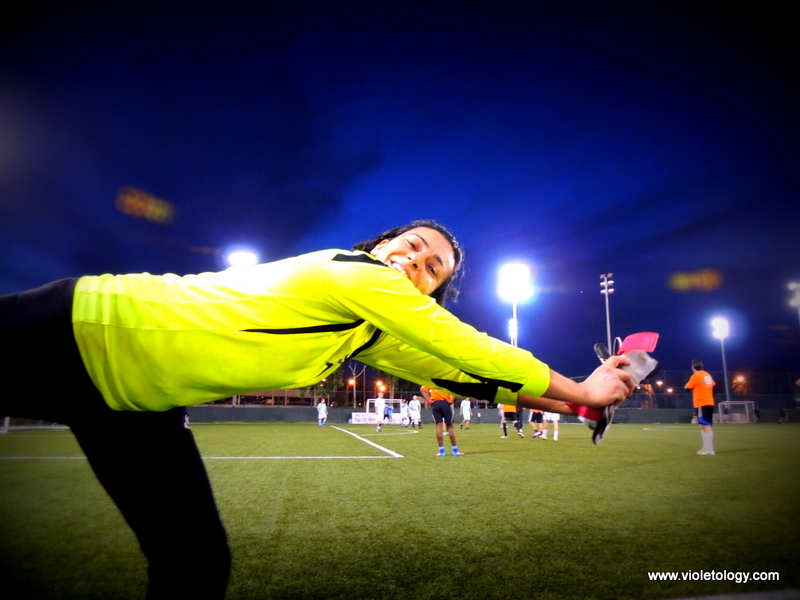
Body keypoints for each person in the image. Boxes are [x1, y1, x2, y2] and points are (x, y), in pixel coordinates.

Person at [0, 219, 634, 598]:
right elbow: (469, 347)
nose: (414, 260)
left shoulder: (368, 332)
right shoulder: (353, 273)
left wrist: (577, 406)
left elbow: (466, 375)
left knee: (195, 564)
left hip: (135, 403)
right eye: (411, 245)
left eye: (431, 267)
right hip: (80, 328)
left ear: (433, 291)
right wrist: (583, 388)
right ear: (384, 243)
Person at [420, 385, 463, 456]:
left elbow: (422, 390)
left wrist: (429, 400)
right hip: (445, 403)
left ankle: (441, 451)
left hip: (435, 404)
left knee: (438, 426)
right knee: (450, 426)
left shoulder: (431, 381)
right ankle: (455, 451)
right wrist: (451, 400)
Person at [685, 359, 716, 455]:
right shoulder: (707, 374)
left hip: (701, 403)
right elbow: (714, 387)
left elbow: (687, 388)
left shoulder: (696, 375)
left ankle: (709, 449)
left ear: (693, 367)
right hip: (709, 402)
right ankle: (706, 448)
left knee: (705, 426)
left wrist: (685, 386)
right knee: (703, 425)